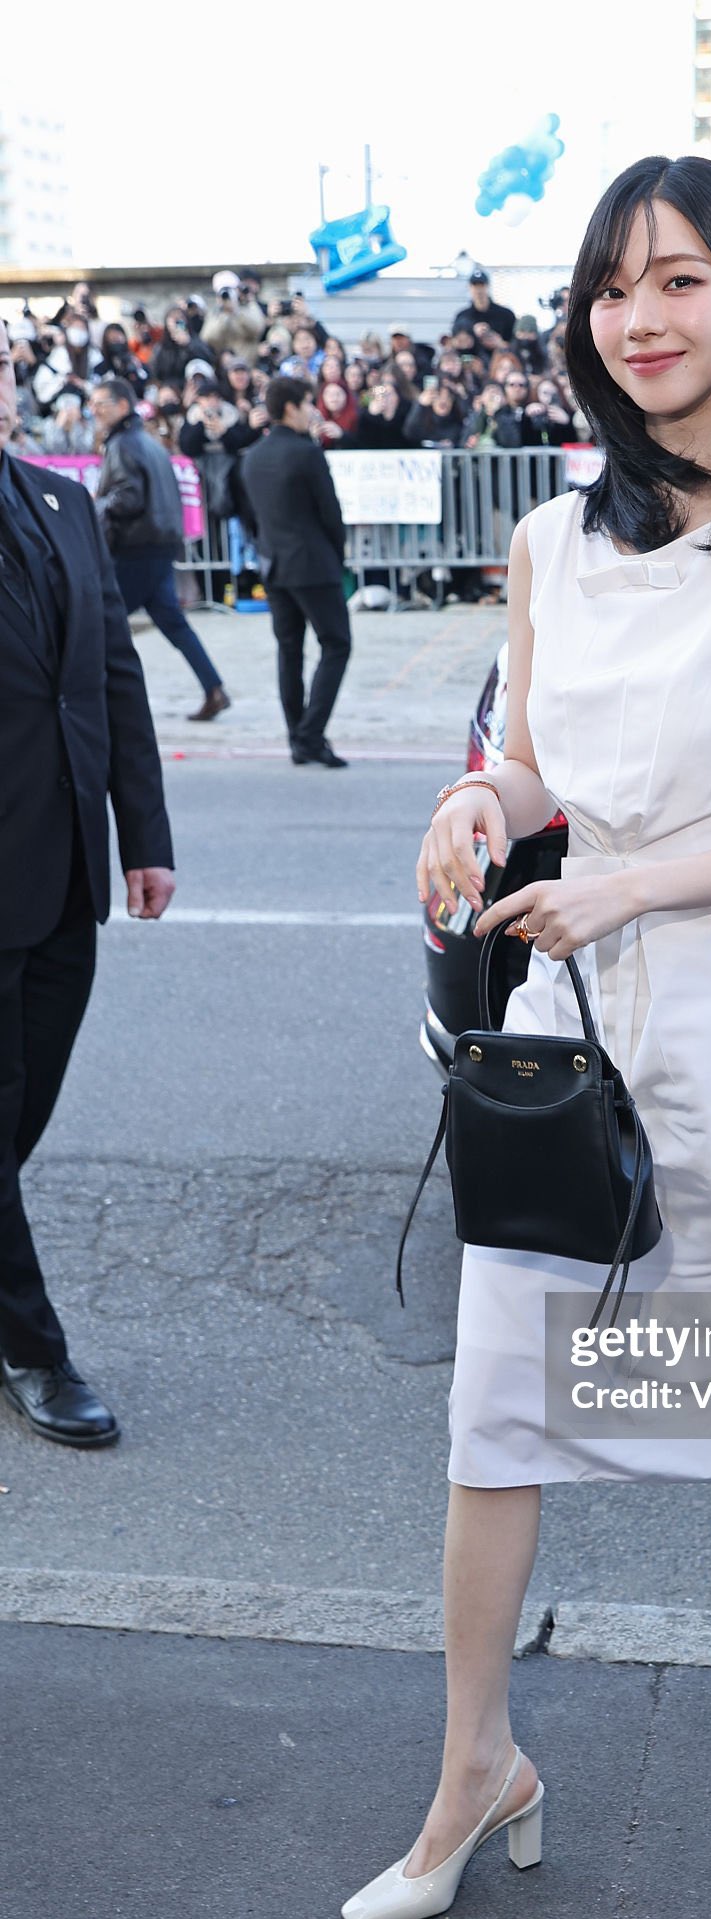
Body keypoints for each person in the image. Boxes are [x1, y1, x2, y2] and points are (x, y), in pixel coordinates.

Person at [340, 153, 711, 1919]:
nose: (638, 316)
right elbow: (536, 765)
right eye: (611, 286)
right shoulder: (549, 540)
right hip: (568, 1037)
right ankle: (477, 1766)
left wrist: (628, 884)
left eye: (677, 280)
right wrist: (476, 801)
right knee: (495, 1404)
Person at [0, 319, 176, 1449]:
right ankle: (33, 1349)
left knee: (26, 1107)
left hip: (64, 866)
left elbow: (111, 676)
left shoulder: (62, 502)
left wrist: (143, 835)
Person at [88, 378, 232, 723]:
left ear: (123, 405)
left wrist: (96, 503)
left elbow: (128, 498)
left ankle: (107, 701)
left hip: (137, 548)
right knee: (172, 623)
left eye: (101, 404)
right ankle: (213, 688)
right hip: (159, 544)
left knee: (99, 622)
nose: (94, 410)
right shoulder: (147, 442)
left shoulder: (124, 444)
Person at [236, 376, 351, 767]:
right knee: (336, 644)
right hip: (312, 563)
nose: (311, 411)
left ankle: (297, 737)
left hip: (273, 563)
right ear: (290, 407)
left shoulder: (253, 456)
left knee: (289, 651)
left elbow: (248, 515)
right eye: (307, 403)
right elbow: (330, 512)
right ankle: (310, 734)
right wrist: (337, 554)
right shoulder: (306, 453)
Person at [450, 267, 517, 349]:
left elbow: (516, 345)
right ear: (469, 288)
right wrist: (470, 335)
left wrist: (500, 343)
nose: (479, 291)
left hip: (499, 355)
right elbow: (454, 344)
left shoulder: (506, 315)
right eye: (475, 286)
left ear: (488, 287)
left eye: (481, 286)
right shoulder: (462, 317)